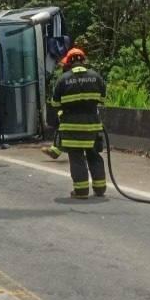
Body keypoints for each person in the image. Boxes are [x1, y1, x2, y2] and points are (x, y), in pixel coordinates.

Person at [51, 48, 107, 199]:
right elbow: (101, 100)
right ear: (83, 60)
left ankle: (81, 191)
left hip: (71, 127)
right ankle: (100, 188)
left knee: (77, 158)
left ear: (69, 63)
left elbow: (55, 104)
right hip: (93, 126)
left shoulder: (63, 79)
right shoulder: (96, 77)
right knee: (94, 155)